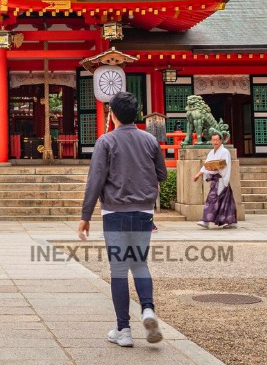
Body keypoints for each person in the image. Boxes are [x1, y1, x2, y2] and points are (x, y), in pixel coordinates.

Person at [78, 91, 167, 348]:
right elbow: (161, 173)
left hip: (114, 211)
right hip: (143, 211)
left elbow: (95, 181)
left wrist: (85, 216)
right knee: (139, 263)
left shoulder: (105, 142)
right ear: (136, 114)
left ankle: (124, 329)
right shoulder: (150, 140)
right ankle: (148, 310)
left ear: (112, 114)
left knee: (119, 269)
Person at [193, 132, 237, 229]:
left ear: (221, 141)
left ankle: (206, 221)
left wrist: (214, 168)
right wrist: (198, 174)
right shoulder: (211, 152)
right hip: (215, 180)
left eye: (217, 140)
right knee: (225, 201)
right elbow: (206, 165)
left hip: (221, 178)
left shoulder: (225, 152)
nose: (215, 142)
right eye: (213, 140)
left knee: (212, 200)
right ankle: (229, 221)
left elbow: (224, 166)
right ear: (211, 141)